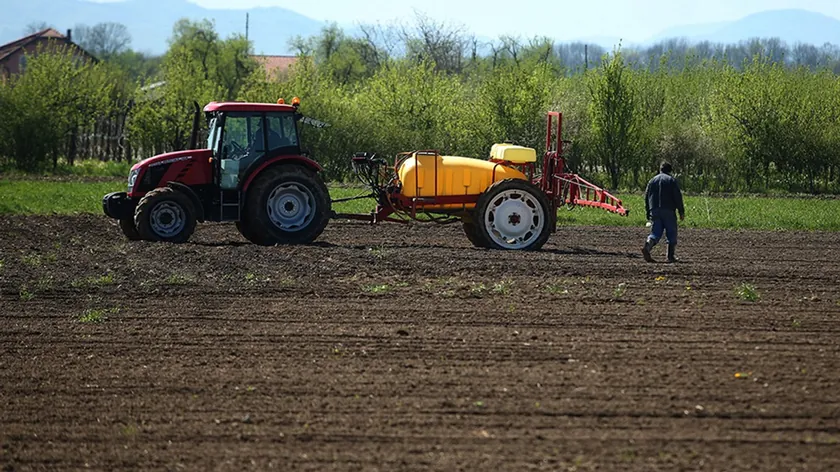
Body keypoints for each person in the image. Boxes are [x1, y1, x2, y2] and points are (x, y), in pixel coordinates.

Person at [642, 162, 685, 263]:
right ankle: (670, 256)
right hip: (668, 210)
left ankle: (647, 247)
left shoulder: (652, 180)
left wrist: (648, 211)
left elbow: (646, 196)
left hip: (655, 209)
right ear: (670, 170)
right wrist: (681, 211)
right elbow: (677, 196)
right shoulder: (671, 180)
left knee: (655, 232)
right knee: (671, 232)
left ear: (660, 169)